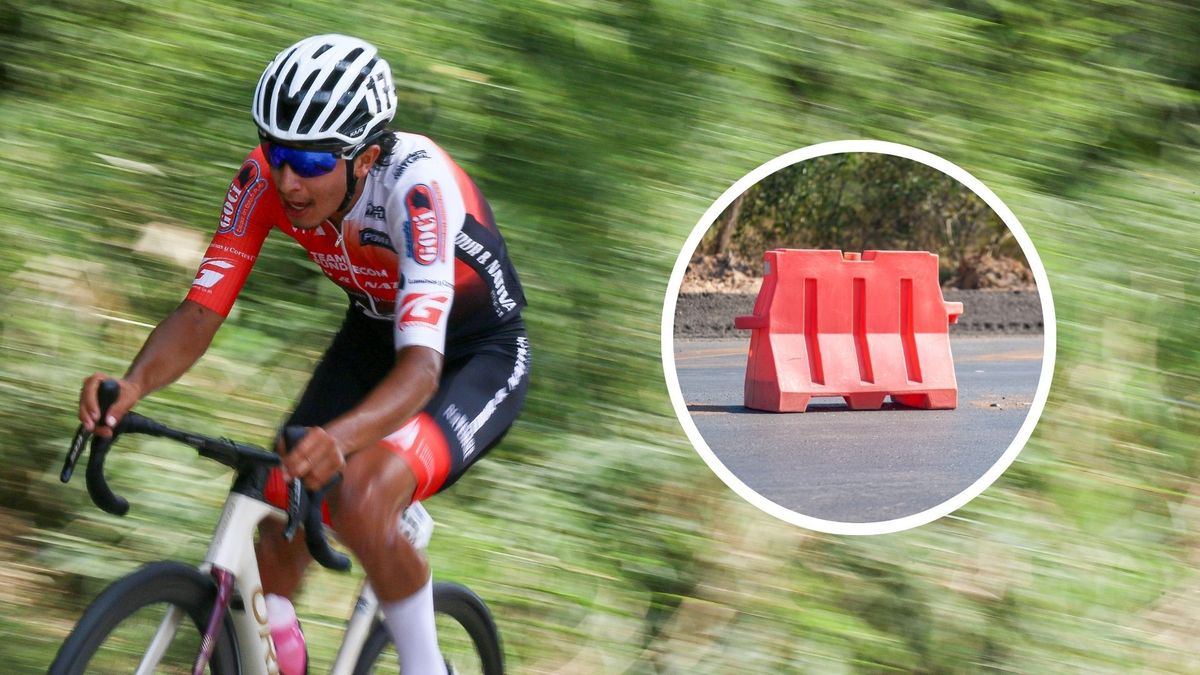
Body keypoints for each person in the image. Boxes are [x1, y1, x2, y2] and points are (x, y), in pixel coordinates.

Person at [77, 34, 529, 674]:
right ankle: (276, 646)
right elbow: (201, 311)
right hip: (374, 333)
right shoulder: (261, 180)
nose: (288, 181)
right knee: (279, 494)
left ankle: (426, 666)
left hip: (473, 354)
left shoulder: (417, 188)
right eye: (276, 151)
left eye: (312, 162)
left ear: (365, 158)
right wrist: (133, 386)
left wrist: (341, 440)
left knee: (362, 497)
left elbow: (423, 368)